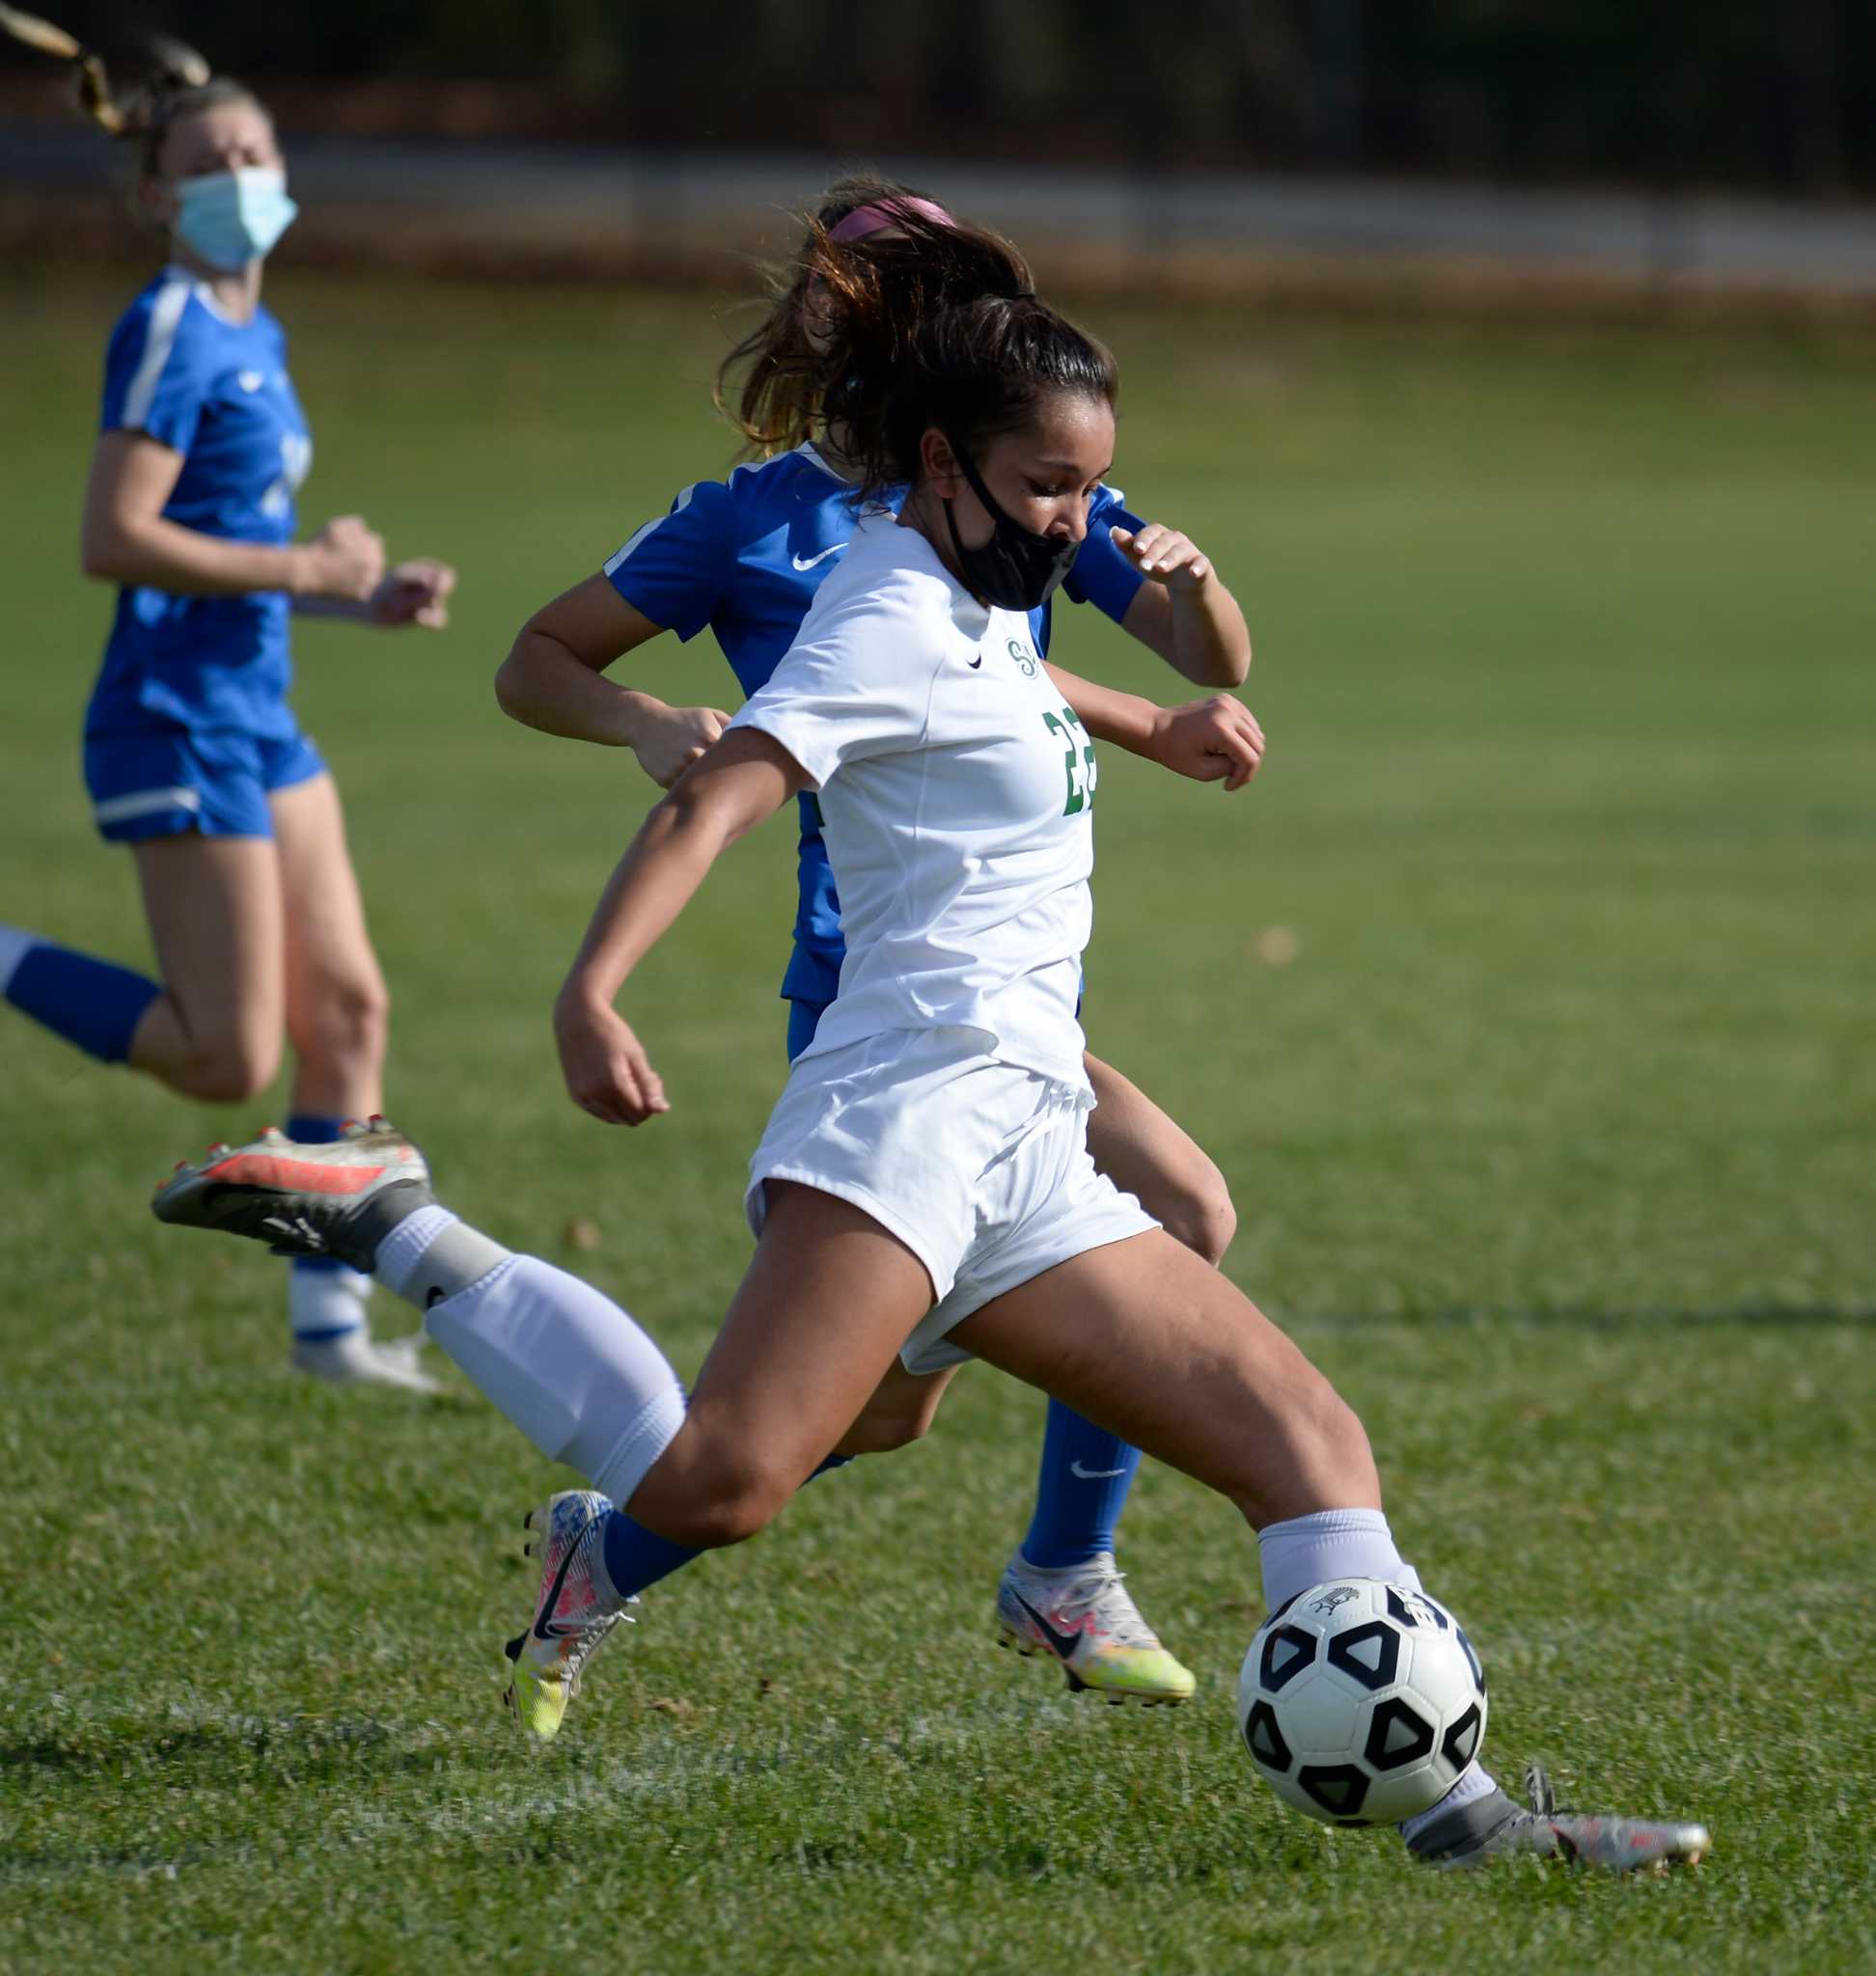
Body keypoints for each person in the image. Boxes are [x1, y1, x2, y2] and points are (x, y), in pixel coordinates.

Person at [152, 232, 1709, 1873]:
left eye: (1091, 487)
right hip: (905, 1111)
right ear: (946, 463)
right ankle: (399, 1220)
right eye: (1051, 487)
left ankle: (1463, 1821)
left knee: (1310, 1451)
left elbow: (1034, 683)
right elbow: (727, 789)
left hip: (1029, 1128)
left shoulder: (982, 596)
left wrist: (1156, 714)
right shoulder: (881, 610)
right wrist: (592, 989)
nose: (1077, 519)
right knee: (724, 1479)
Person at [491, 180, 1266, 1704]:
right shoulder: (755, 518)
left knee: (904, 1401)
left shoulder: (1018, 471)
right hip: (876, 994)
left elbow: (1013, 668)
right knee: (1165, 1215)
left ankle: (662, 1548)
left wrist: (1165, 692)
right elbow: (538, 660)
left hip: (998, 986)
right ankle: (1049, 1572)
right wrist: (641, 720)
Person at [0, 18, 454, 1390]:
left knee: (351, 1012)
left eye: (256, 152)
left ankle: (330, 1338)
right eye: (209, 163)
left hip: (256, 709)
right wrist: (307, 565)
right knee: (223, 1056)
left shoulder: (261, 330)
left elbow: (231, 557)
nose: (241, 175)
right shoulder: (168, 326)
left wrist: (354, 599)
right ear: (158, 195)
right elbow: (115, 535)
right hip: (175, 716)